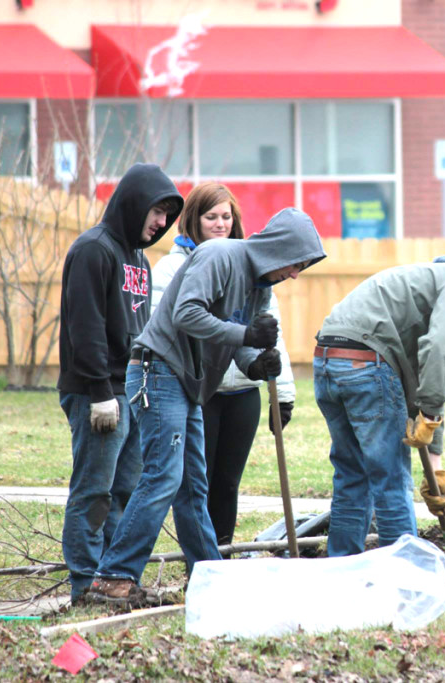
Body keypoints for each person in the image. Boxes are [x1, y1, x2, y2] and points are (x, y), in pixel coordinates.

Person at [86, 207, 325, 606]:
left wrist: (255, 361)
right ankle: (113, 576)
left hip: (190, 382)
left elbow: (235, 344)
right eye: (296, 263)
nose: (296, 274)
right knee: (163, 476)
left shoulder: (258, 286)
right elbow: (186, 314)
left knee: (194, 489)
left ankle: (209, 575)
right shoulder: (219, 256)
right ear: (280, 250)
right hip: (158, 370)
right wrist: (246, 331)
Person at [314, 238, 445, 557]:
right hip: (367, 362)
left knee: (353, 478)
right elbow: (441, 353)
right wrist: (431, 414)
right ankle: (406, 581)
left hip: (329, 358)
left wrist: (434, 473)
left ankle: (343, 570)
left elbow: (425, 382)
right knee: (391, 482)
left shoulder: (440, 279)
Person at [56, 163, 183, 606]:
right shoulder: (94, 250)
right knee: (94, 488)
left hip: (127, 390)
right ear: (134, 201)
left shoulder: (139, 260)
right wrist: (97, 393)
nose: (161, 223)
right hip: (97, 393)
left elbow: (140, 328)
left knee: (125, 489)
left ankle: (111, 580)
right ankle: (83, 584)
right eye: (157, 211)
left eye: (168, 216)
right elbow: (84, 325)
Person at [150, 182, 297, 551]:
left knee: (228, 483)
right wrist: (244, 336)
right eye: (210, 216)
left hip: (243, 390)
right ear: (193, 221)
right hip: (199, 389)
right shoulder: (172, 268)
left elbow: (268, 333)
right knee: (198, 481)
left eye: (226, 217)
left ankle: (223, 555)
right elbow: (173, 327)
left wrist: (281, 388)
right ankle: (201, 559)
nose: (219, 224)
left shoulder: (255, 272)